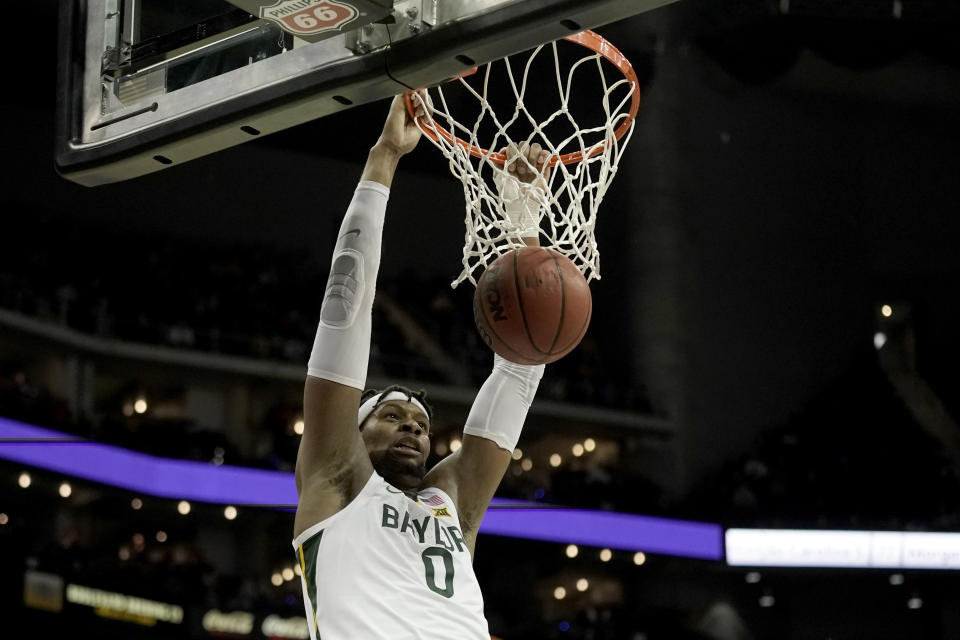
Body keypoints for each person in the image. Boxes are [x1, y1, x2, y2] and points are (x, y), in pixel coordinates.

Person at [292, 93, 551, 639]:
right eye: (391, 415)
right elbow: (345, 304)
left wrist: (524, 223)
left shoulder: (448, 500)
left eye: (422, 424)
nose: (413, 425)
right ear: (351, 432)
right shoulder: (336, 479)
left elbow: (521, 367)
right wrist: (384, 158)